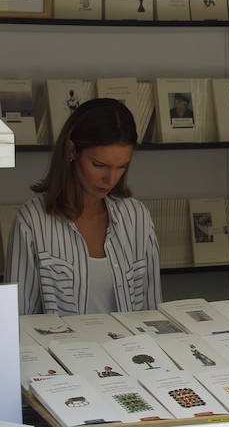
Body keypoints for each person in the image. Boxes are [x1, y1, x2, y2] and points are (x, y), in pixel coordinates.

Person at [5, 98, 162, 316]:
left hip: (129, 349)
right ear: (72, 151)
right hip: (59, 350)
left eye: (122, 166)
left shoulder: (137, 217)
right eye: (99, 165)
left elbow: (152, 313)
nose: (111, 179)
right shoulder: (33, 222)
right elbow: (18, 320)